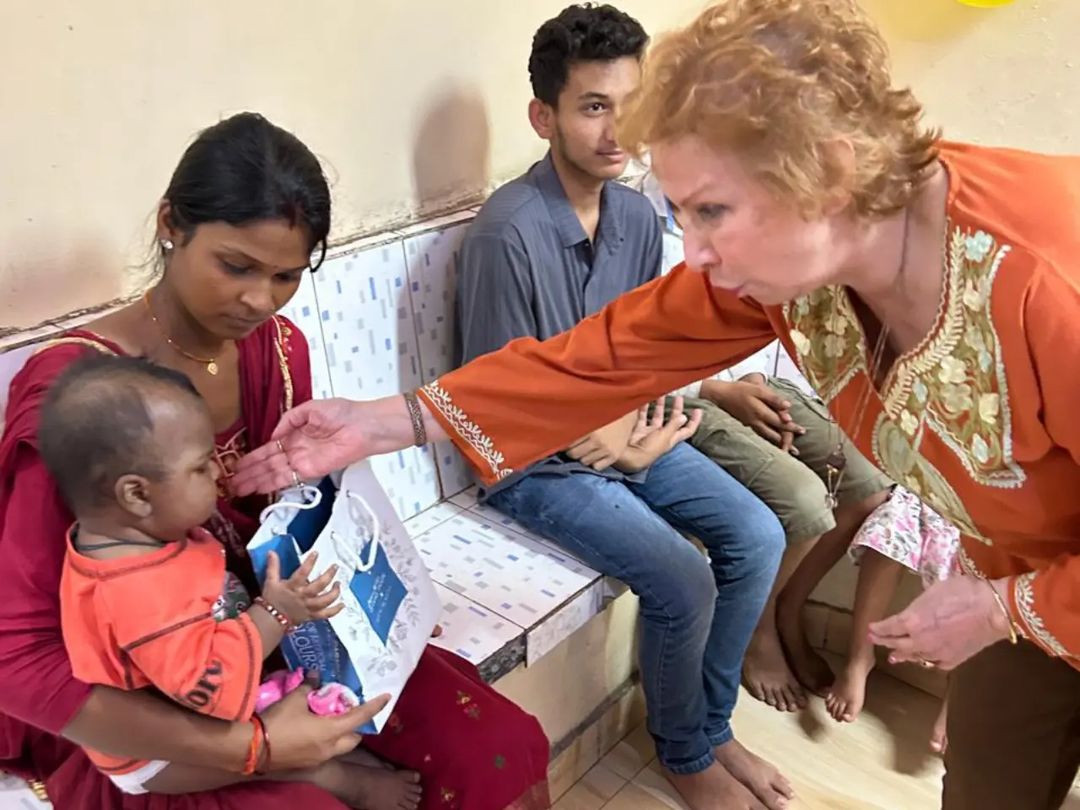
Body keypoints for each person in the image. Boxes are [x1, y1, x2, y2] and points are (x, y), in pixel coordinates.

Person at [235, 2, 1080, 808]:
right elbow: (606, 353)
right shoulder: (806, 255)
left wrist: (1006, 608)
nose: (696, 254)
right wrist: (387, 420)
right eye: (682, 212)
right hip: (1024, 584)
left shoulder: (1050, 282)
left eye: (711, 212)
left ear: (831, 169)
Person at [0, 112, 551, 810]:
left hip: (278, 634)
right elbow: (19, 661)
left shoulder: (278, 351)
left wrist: (385, 599)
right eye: (235, 266)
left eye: (287, 276)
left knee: (496, 751)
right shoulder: (82, 398)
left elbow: (301, 520)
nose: (259, 300)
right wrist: (255, 748)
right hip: (144, 692)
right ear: (172, 223)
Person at [455, 7, 789, 809]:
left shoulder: (639, 214)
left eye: (629, 106)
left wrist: (639, 430)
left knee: (758, 533)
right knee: (683, 577)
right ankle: (684, 752)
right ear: (546, 116)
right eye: (593, 106)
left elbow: (644, 352)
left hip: (622, 438)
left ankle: (708, 726)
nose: (616, 130)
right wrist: (612, 439)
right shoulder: (507, 233)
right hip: (532, 465)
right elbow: (493, 408)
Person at [44, 353, 422, 809]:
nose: (219, 473)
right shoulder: (141, 597)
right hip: (159, 759)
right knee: (310, 750)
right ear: (137, 493)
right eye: (202, 467)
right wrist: (276, 614)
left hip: (188, 693)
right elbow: (212, 690)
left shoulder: (126, 541)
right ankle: (328, 776)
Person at [669, 370, 891, 713]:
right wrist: (713, 388)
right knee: (807, 502)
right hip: (684, 386)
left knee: (868, 488)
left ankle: (788, 607)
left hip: (751, 377)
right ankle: (759, 627)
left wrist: (756, 379)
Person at [819, 485, 959, 754]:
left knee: (993, 572)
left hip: (1001, 514)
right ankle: (859, 658)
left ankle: (959, 695)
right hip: (945, 487)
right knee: (893, 523)